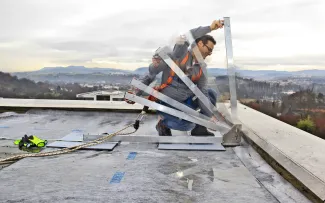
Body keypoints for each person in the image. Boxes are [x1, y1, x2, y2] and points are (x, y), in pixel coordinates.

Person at [126, 19, 224, 136]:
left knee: (210, 93)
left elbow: (202, 93)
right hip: (168, 102)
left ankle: (200, 129)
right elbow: (150, 74)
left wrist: (209, 117)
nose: (210, 53)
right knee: (186, 125)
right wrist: (135, 92)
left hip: (185, 102)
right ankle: (163, 123)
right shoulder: (179, 55)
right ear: (200, 44)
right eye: (209, 49)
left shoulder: (201, 68)